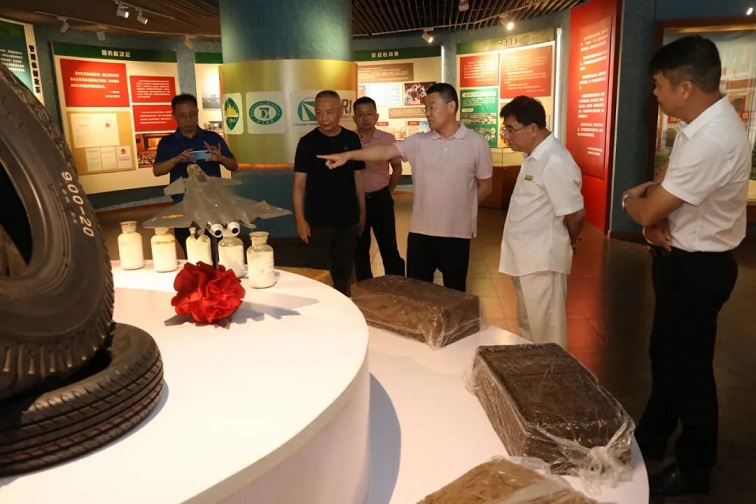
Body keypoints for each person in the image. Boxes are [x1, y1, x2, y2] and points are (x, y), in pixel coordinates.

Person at [622, 35, 750, 497]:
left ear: (685, 87)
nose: (654, 93)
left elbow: (649, 206)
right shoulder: (699, 124)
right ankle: (653, 436)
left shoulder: (713, 138)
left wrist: (634, 204)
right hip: (681, 258)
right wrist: (653, 213)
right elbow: (666, 186)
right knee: (668, 356)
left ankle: (696, 466)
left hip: (698, 268)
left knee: (689, 369)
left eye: (658, 84)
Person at [319, 83, 493, 292]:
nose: (427, 113)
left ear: (451, 106)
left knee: (455, 293)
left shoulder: (476, 143)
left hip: (457, 234)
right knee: (417, 293)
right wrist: (347, 156)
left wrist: (464, 210)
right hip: (421, 234)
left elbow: (485, 185)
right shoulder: (419, 141)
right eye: (425, 108)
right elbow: (384, 152)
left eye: (432, 107)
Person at [498, 96, 585, 349]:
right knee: (528, 329)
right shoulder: (533, 155)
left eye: (511, 130)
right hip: (525, 259)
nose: (507, 137)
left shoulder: (555, 160)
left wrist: (569, 242)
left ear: (533, 128)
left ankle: (552, 374)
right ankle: (531, 370)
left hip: (542, 261)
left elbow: (576, 215)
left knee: (547, 333)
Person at [293, 90, 366, 295]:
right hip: (318, 219)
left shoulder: (351, 139)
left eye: (329, 112)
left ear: (340, 112)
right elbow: (299, 184)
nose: (324, 118)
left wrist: (362, 212)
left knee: (343, 268)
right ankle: (316, 304)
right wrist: (300, 219)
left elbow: (358, 178)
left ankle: (341, 303)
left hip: (348, 217)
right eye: (319, 112)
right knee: (316, 269)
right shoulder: (307, 142)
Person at [153, 93, 238, 256]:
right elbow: (157, 171)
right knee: (192, 250)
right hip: (183, 205)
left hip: (214, 204)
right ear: (174, 116)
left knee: (219, 250)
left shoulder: (212, 138)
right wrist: (176, 160)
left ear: (197, 112)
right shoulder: (167, 142)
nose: (188, 120)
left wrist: (220, 158)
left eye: (192, 114)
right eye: (182, 116)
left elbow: (234, 166)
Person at [352, 96, 405, 280]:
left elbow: (397, 168)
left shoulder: (387, 139)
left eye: (369, 114)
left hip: (381, 199)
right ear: (354, 118)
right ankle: (365, 287)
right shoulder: (349, 139)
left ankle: (396, 285)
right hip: (356, 201)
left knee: (388, 245)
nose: (365, 118)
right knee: (360, 248)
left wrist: (388, 192)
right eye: (360, 115)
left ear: (376, 116)